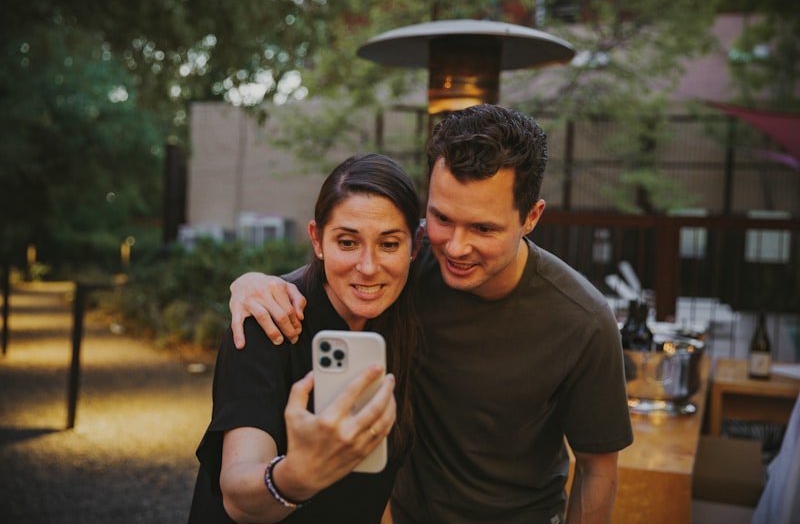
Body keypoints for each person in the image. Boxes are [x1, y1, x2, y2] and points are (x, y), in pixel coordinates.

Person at [228, 104, 633, 523]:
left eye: (483, 228)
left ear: (531, 217)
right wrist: (253, 283)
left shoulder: (582, 319)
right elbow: (334, 273)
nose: (455, 247)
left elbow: (597, 468)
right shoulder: (407, 265)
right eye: (441, 218)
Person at [189, 153, 423, 523]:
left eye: (389, 244)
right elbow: (237, 491)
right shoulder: (269, 320)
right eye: (347, 242)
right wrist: (296, 477)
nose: (368, 266)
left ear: (416, 246)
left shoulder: (407, 318)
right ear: (317, 240)